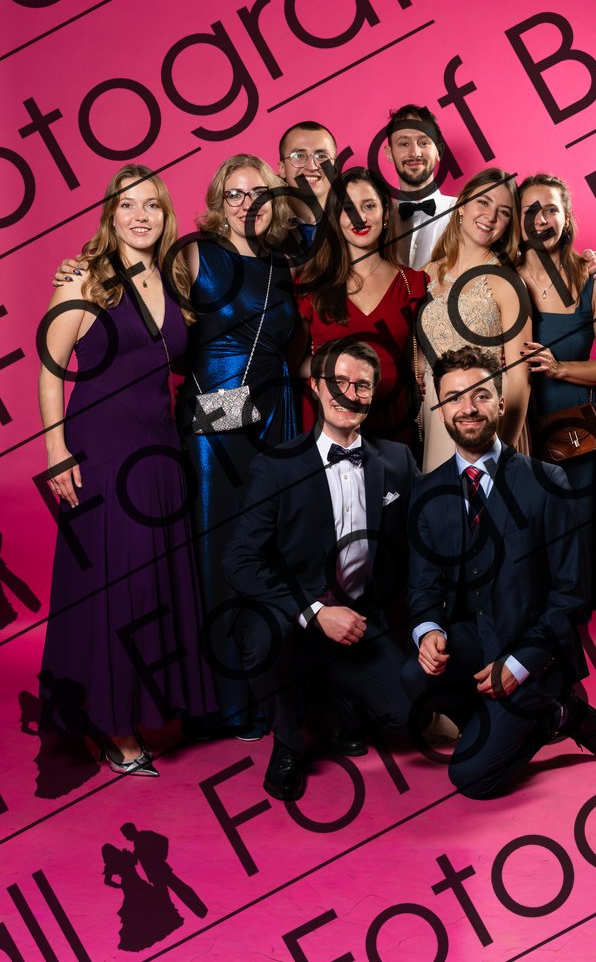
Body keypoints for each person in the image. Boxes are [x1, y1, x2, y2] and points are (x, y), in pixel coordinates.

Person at [38, 164, 215, 777]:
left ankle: (141, 705)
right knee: (116, 584)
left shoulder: (174, 277)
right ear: (110, 214)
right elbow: (50, 371)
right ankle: (113, 725)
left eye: (152, 205)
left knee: (152, 583)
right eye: (128, 205)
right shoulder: (84, 277)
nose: (141, 215)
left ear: (166, 215)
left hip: (160, 449)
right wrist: (56, 452)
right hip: (101, 450)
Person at [402, 346, 596, 800]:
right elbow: (422, 586)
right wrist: (428, 630)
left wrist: (518, 666)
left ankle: (557, 712)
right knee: (412, 678)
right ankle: (505, 719)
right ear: (441, 410)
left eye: (479, 395)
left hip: (533, 651)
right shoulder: (427, 490)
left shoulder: (547, 481)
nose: (468, 408)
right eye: (454, 398)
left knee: (471, 779)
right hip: (474, 639)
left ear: (499, 403)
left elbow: (572, 592)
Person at [223, 339, 419, 801]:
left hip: (357, 618)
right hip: (287, 612)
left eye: (362, 385)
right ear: (315, 386)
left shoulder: (397, 461)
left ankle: (332, 703)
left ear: (373, 394)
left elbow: (422, 543)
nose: (350, 394)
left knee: (409, 717)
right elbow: (238, 561)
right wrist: (313, 612)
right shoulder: (276, 467)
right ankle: (289, 741)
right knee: (266, 637)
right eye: (338, 382)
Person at [176, 153, 299, 740]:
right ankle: (223, 703)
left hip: (275, 417)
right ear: (218, 203)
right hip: (214, 423)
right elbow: (145, 302)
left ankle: (267, 694)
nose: (248, 204)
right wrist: (82, 271)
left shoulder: (283, 263)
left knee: (268, 551)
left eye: (259, 194)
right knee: (219, 552)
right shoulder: (196, 253)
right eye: (235, 194)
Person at [517, 173, 596, 616]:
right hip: (518, 426)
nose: (540, 219)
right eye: (530, 210)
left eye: (550, 209)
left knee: (575, 542)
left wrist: (560, 367)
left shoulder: (595, 279)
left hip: (575, 431)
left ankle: (570, 643)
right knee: (524, 543)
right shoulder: (503, 274)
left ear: (566, 217)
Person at [298, 167, 428, 450]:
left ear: (385, 213)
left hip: (394, 419)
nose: (359, 217)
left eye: (368, 206)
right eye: (348, 209)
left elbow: (417, 360)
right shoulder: (312, 284)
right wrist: (334, 374)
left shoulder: (412, 282)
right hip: (330, 417)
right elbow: (294, 363)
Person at [419, 168, 533, 471]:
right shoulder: (427, 273)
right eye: (483, 202)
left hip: (487, 416)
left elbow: (520, 378)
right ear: (462, 205)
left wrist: (502, 452)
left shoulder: (508, 282)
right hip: (435, 411)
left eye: (503, 212)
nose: (490, 216)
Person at [384, 104, 456, 268]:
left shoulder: (463, 213)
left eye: (423, 143)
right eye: (404, 144)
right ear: (389, 153)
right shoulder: (379, 217)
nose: (415, 153)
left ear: (438, 151)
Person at [277, 120, 338, 246]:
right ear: (282, 169)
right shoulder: (263, 224)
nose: (311, 167)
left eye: (321, 156)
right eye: (299, 156)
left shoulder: (351, 222)